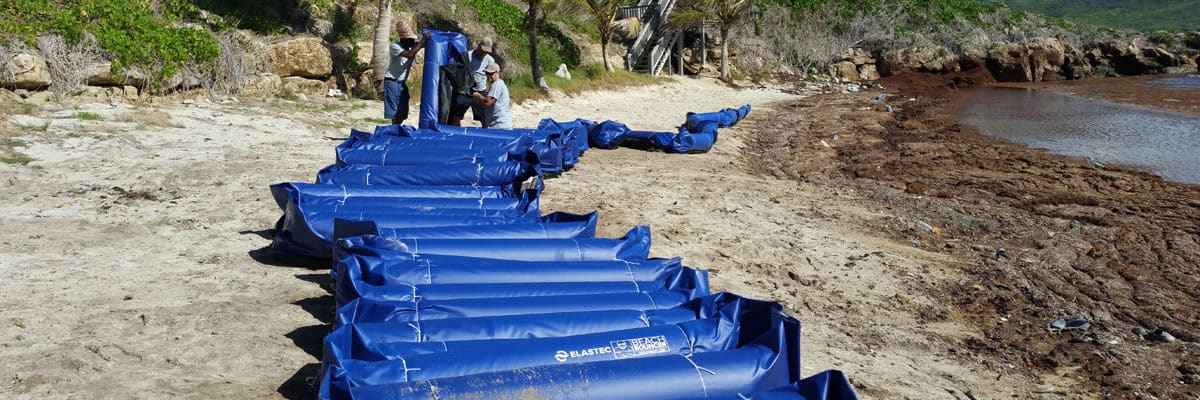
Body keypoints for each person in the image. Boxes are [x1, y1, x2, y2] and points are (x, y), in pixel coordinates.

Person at [383, 27, 431, 125]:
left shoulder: (410, 47)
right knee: (395, 111)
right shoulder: (396, 47)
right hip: (392, 81)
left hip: (401, 84)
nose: (413, 41)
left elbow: (421, 45)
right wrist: (423, 40)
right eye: (410, 40)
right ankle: (394, 129)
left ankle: (397, 127)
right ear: (403, 40)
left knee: (403, 111)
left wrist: (427, 40)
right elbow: (410, 54)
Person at [449, 37, 496, 128]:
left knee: (485, 118)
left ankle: (486, 136)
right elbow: (460, 73)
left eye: (486, 52)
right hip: (466, 91)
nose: (483, 54)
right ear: (478, 46)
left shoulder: (490, 60)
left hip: (481, 91)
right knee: (456, 115)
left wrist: (490, 92)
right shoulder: (468, 56)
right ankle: (456, 135)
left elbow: (491, 77)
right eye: (482, 51)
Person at [471, 62, 512, 129]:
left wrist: (478, 96)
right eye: (487, 73)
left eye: (491, 73)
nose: (489, 76)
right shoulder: (499, 84)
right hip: (500, 125)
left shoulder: (496, 84)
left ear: (497, 73)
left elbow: (488, 102)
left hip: (499, 126)